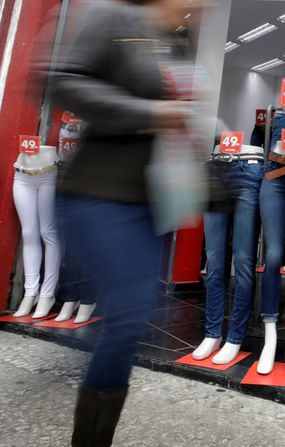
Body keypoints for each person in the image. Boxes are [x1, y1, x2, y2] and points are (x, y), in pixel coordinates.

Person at [46, 0, 202, 444]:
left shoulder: (176, 44)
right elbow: (63, 79)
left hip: (150, 202)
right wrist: (149, 114)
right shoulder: (112, 18)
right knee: (130, 315)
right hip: (96, 193)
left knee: (129, 321)